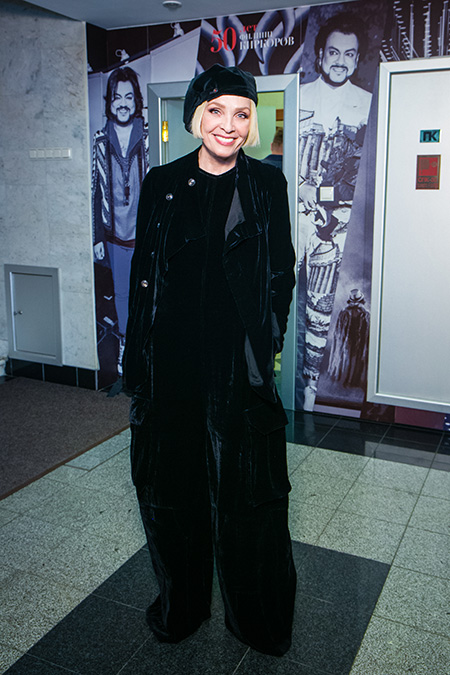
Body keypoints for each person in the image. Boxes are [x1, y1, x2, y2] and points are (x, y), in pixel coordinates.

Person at [123, 64, 296, 656]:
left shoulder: (266, 184)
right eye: (216, 111)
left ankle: (256, 619)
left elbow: (280, 274)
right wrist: (138, 360)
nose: (229, 125)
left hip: (236, 368)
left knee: (250, 501)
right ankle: (184, 606)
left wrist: (267, 342)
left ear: (252, 123)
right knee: (172, 496)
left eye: (242, 114)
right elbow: (144, 277)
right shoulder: (162, 182)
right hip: (170, 365)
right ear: (196, 117)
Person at [297, 12, 372, 410]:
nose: (340, 61)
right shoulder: (297, 97)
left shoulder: (368, 105)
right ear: (320, 54)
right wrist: (299, 184)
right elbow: (276, 152)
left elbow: (362, 176)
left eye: (349, 54)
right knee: (277, 299)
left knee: (321, 311)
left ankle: (311, 391)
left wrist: (322, 191)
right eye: (333, 52)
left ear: (357, 59)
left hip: (337, 226)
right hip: (293, 218)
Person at [92, 66, 148, 376]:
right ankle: (126, 347)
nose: (123, 103)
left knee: (148, 292)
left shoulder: (149, 136)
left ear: (136, 100)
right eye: (117, 98)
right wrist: (97, 237)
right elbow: (95, 191)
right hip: (115, 235)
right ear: (109, 102)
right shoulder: (101, 140)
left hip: (145, 234)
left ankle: (147, 347)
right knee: (122, 294)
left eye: (128, 97)